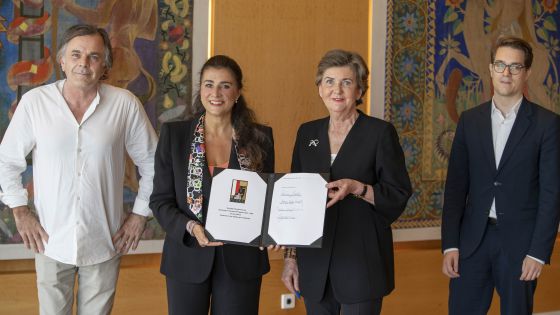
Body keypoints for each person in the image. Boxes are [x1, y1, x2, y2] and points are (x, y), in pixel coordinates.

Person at [0, 24, 157, 314]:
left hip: (105, 238)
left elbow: (154, 164)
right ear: (62, 60)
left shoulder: (125, 105)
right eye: (76, 55)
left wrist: (139, 215)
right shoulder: (35, 104)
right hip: (49, 240)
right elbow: (6, 161)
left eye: (94, 56)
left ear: (105, 65)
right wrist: (20, 212)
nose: (83, 63)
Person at [281, 49, 412, 315]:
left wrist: (358, 188)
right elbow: (293, 202)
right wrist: (290, 259)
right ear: (319, 88)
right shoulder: (307, 133)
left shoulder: (380, 133)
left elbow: (398, 193)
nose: (336, 89)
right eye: (329, 81)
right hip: (314, 265)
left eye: (347, 82)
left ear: (360, 90)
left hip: (361, 262)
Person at [441, 36, 560, 315]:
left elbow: (552, 193)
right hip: (471, 244)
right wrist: (450, 244)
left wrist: (538, 252)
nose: (506, 73)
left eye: (515, 67)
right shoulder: (470, 121)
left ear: (527, 73)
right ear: (491, 69)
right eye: (500, 65)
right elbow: (456, 188)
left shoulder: (548, 124)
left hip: (521, 248)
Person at [149, 55, 274, 315]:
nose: (216, 93)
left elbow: (267, 199)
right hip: (187, 257)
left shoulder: (260, 138)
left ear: (238, 92)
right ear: (201, 89)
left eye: (225, 85)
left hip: (242, 261)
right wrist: (191, 227)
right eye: (208, 84)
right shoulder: (174, 136)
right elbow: (160, 201)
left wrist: (272, 230)